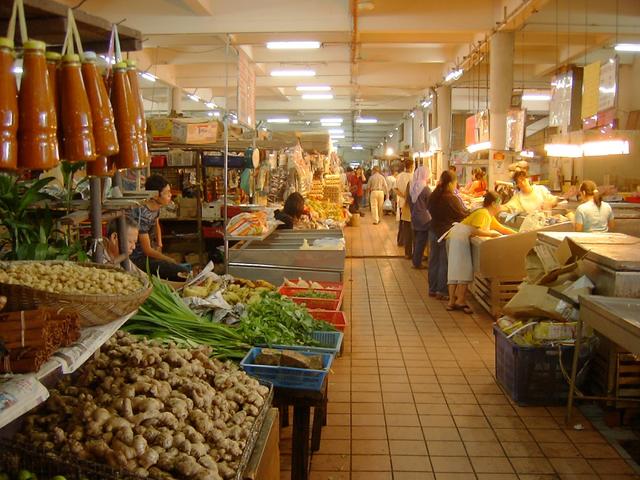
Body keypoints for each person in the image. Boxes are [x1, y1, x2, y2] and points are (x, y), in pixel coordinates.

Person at [446, 191, 515, 314]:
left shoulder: (488, 215)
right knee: (462, 270)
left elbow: (501, 228)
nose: (501, 207)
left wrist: (519, 234)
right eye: (500, 204)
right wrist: (491, 234)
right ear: (493, 204)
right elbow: (476, 230)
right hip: (458, 239)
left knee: (455, 270)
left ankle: (453, 301)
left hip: (456, 238)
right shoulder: (483, 213)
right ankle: (458, 301)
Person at [128, 175, 191, 281]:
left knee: (178, 269)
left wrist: (159, 244)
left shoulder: (156, 207)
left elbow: (157, 224)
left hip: (148, 254)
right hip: (137, 258)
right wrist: (169, 259)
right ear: (156, 196)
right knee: (180, 271)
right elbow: (147, 250)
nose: (170, 195)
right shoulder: (142, 214)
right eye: (167, 193)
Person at [427, 170, 469, 300]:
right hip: (446, 232)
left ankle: (432, 288)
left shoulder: (434, 195)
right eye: (455, 183)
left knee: (433, 261)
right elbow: (462, 214)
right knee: (444, 262)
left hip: (433, 230)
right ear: (450, 183)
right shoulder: (451, 198)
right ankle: (442, 291)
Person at [408, 166, 432, 269]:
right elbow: (431, 204)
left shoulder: (411, 186)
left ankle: (416, 260)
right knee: (421, 242)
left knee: (417, 240)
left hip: (414, 216)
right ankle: (417, 262)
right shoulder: (426, 189)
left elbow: (409, 201)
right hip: (424, 219)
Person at [395, 159, 414, 246]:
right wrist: (407, 197)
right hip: (410, 204)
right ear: (412, 166)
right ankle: (406, 242)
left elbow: (395, 189)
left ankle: (400, 241)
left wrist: (402, 196)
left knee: (402, 223)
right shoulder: (413, 177)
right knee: (408, 224)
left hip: (401, 202)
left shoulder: (399, 176)